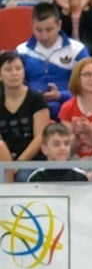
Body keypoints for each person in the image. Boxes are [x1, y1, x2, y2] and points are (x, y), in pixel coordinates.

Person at [16, 3, 89, 121]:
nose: (44, 36)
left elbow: (88, 87)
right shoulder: (21, 51)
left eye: (49, 30)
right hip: (31, 108)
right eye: (38, 30)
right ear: (32, 26)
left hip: (69, 108)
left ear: (59, 25)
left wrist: (61, 95)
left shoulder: (77, 50)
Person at [0, 50, 50, 181]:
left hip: (32, 159)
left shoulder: (36, 100)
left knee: (23, 177)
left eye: (18, 68)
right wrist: (8, 165)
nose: (14, 73)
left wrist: (19, 162)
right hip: (4, 158)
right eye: (8, 69)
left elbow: (40, 137)